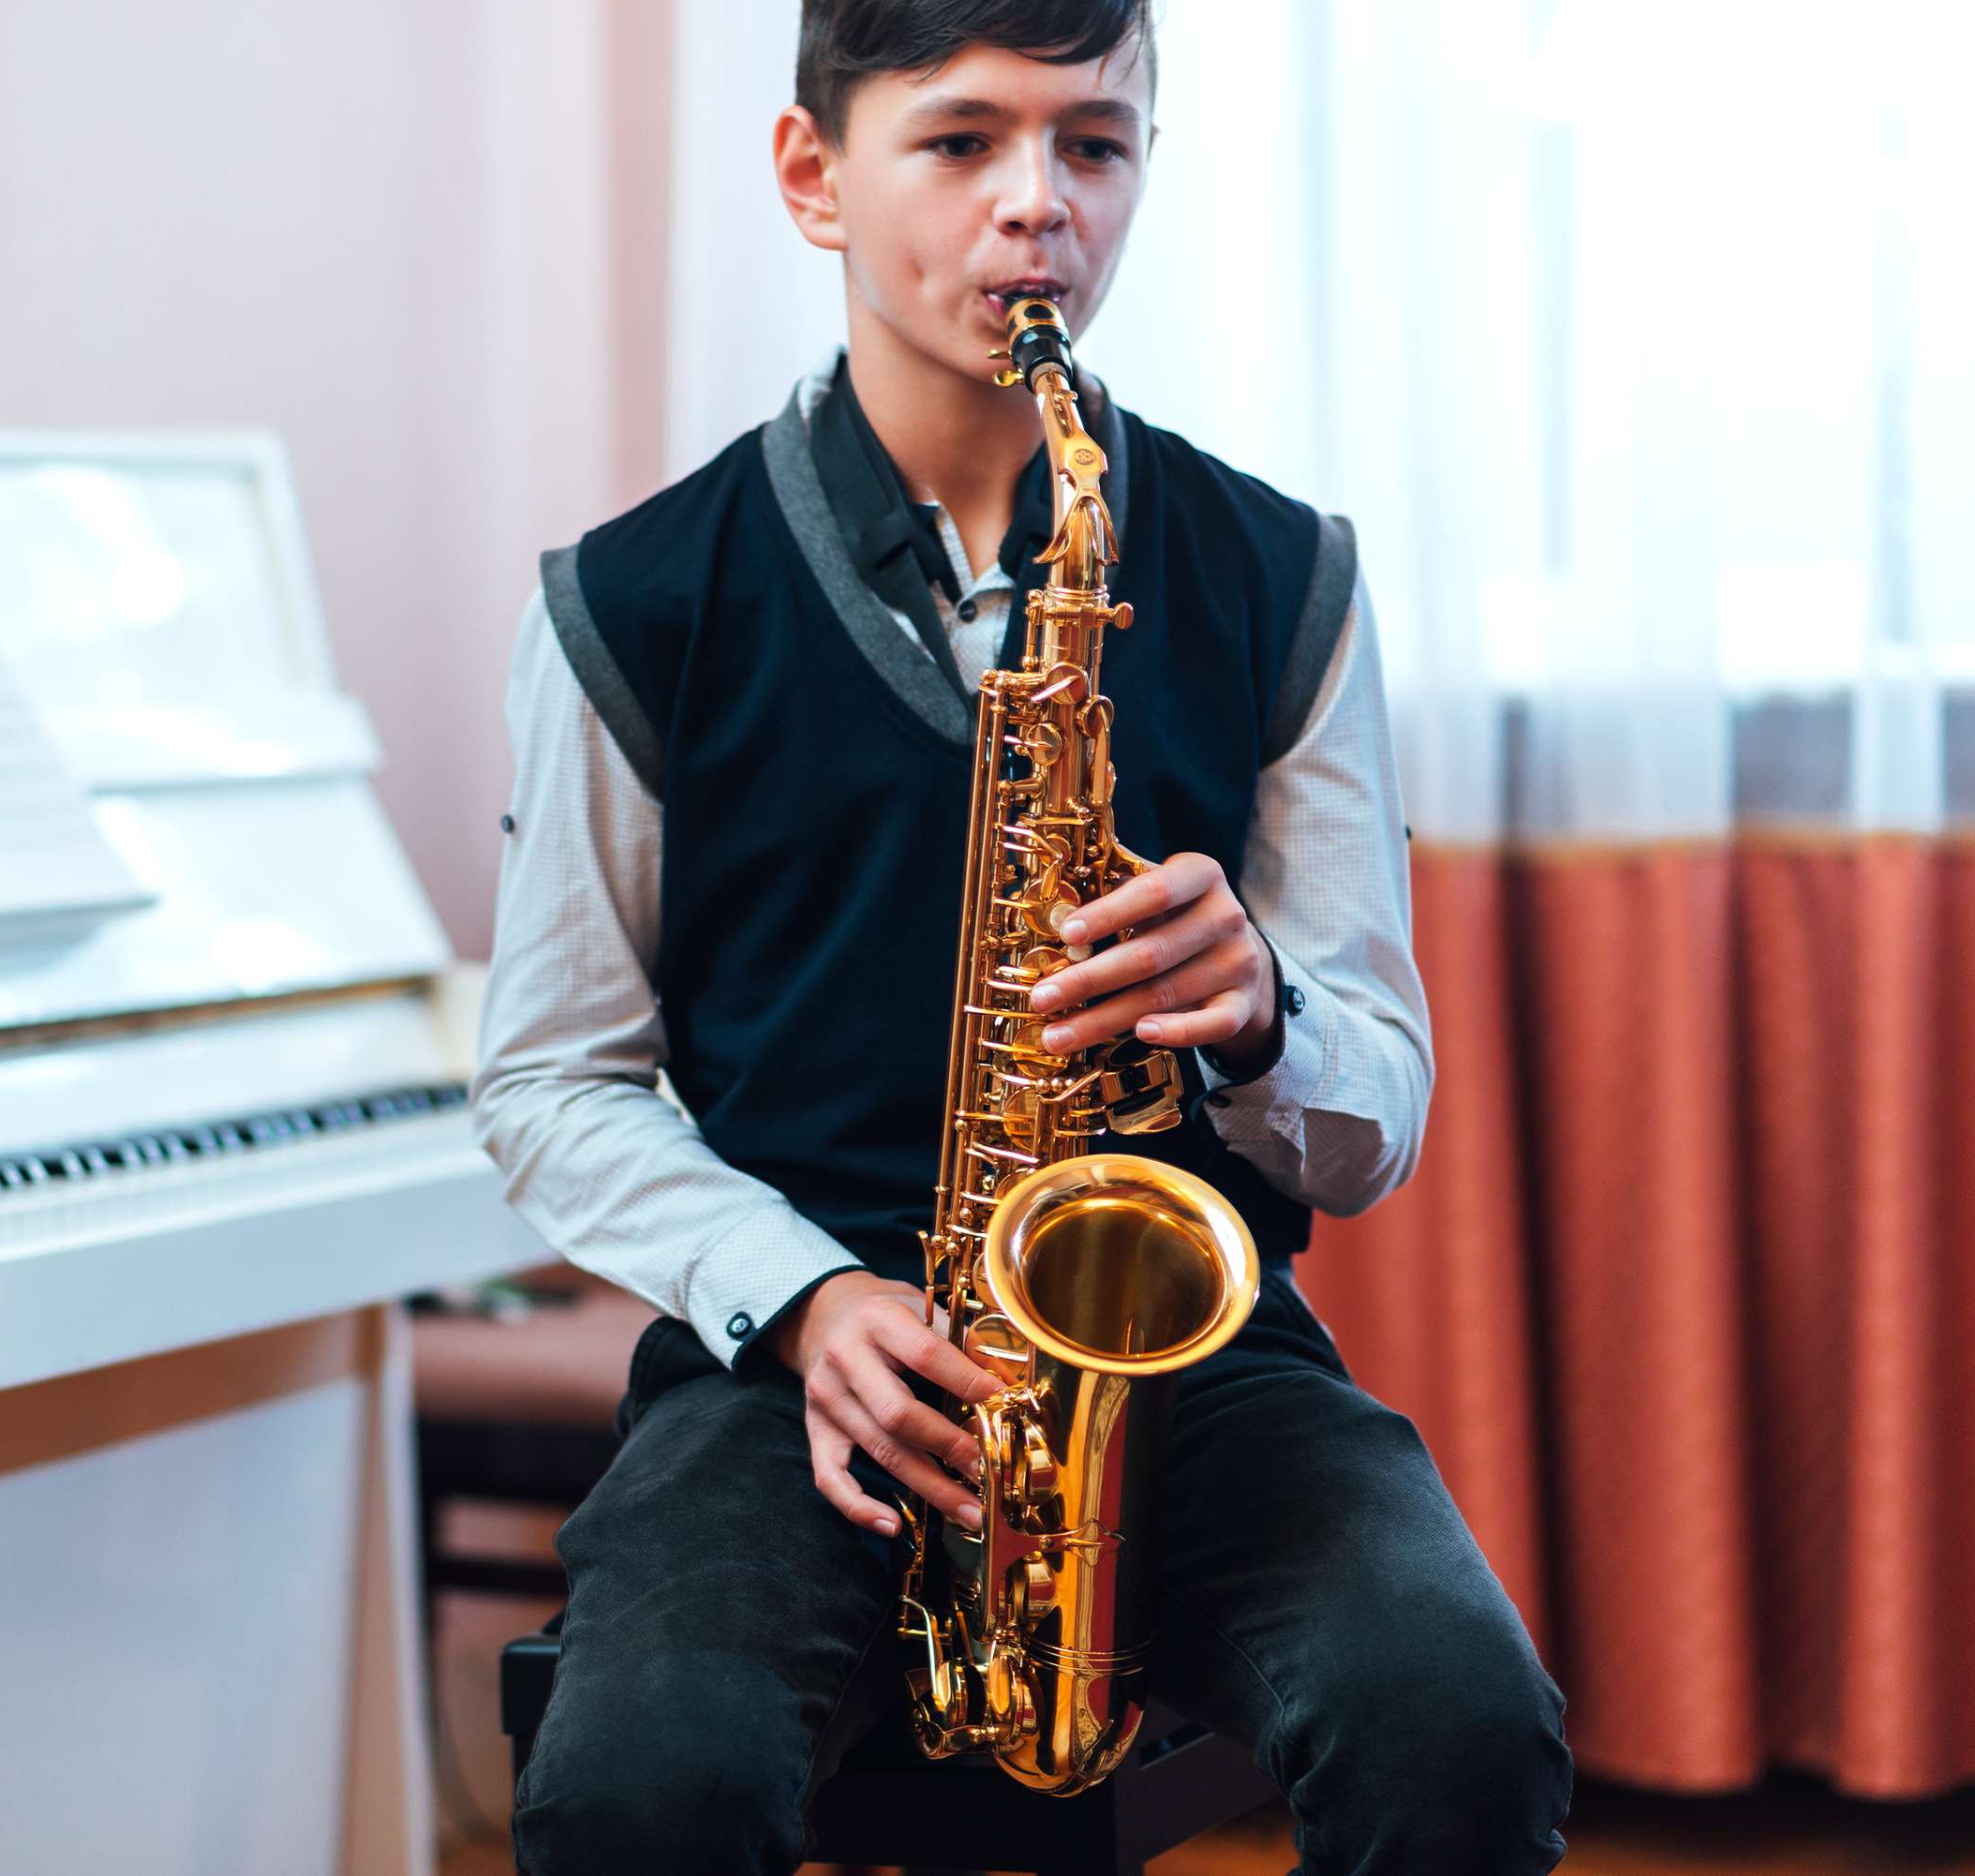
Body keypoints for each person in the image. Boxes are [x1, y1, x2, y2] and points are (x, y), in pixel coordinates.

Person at [469, 3, 1572, 1870]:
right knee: (639, 1783)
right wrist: (807, 1294)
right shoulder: (632, 598)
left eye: (1095, 143)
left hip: (1176, 1360)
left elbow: (1374, 1110)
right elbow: (551, 1079)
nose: (1037, 209)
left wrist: (1258, 1018)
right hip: (796, 1358)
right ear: (813, 176)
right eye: (964, 141)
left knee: (1459, 1721)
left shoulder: (1283, 570)